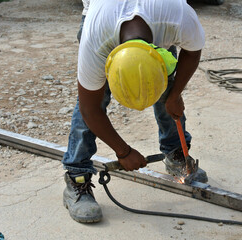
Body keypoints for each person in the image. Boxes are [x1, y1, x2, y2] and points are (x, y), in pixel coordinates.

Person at [62, 0, 207, 224]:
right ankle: (77, 175)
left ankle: (175, 153)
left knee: (166, 88)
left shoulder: (178, 18)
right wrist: (123, 152)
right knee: (95, 99)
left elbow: (193, 51)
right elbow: (89, 109)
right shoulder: (96, 41)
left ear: (159, 51)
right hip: (104, 16)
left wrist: (175, 94)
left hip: (155, 18)